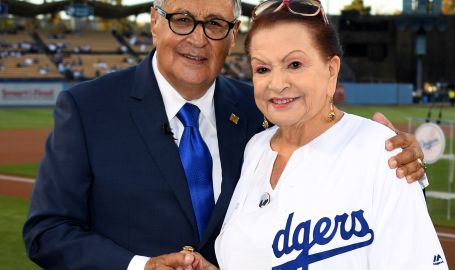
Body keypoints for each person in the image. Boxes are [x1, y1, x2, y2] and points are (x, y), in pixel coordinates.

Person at [23, 0, 425, 269]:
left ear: (233, 37)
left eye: (215, 24)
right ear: (154, 23)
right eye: (182, 19)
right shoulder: (88, 107)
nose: (198, 38)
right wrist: (140, 267)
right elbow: (47, 231)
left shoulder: (259, 113)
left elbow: (324, 131)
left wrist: (392, 155)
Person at [186, 0, 446, 269]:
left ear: (331, 69)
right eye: (262, 69)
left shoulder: (383, 152)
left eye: (295, 64)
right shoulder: (254, 149)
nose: (277, 83)